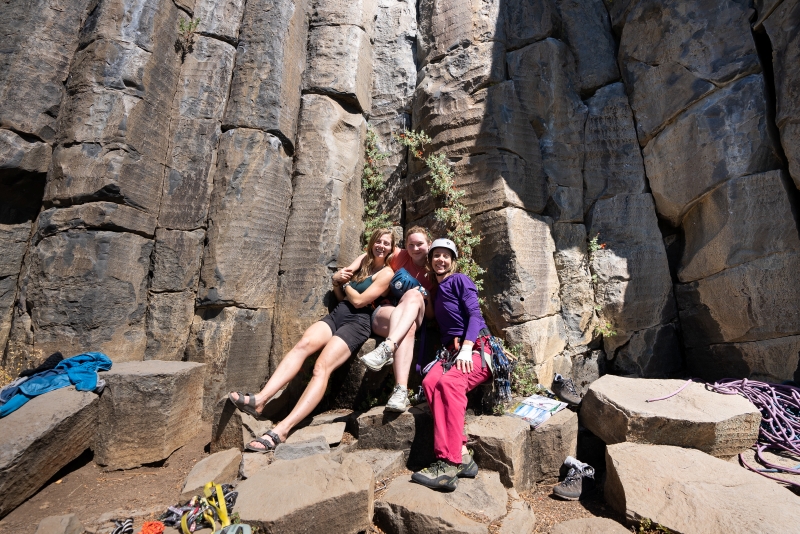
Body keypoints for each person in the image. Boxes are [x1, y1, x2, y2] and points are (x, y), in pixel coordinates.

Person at [227, 228, 396, 451]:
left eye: (386, 243)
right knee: (303, 345)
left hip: (358, 323)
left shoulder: (387, 273)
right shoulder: (364, 259)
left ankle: (282, 430)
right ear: (372, 242)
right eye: (378, 241)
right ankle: (260, 400)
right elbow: (342, 295)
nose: (381, 246)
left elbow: (359, 301)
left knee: (321, 367)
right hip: (339, 314)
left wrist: (343, 284)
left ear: (392, 248)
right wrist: (337, 282)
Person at [411, 238, 492, 491]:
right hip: (451, 352)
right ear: (430, 260)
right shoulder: (436, 290)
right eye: (436, 256)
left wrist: (468, 347)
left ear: (453, 261)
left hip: (477, 348)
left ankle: (447, 462)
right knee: (430, 381)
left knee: (450, 382)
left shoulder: (461, 280)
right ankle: (464, 455)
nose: (441, 260)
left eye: (446, 256)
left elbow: (475, 316)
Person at [353, 226, 434, 412]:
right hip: (388, 311)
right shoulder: (401, 256)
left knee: (414, 295)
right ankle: (400, 392)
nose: (415, 249)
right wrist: (350, 269)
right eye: (411, 244)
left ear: (429, 245)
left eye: (420, 244)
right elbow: (370, 255)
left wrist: (426, 296)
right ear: (405, 245)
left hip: (417, 312)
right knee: (408, 328)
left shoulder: (434, 270)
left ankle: (387, 347)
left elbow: (431, 316)